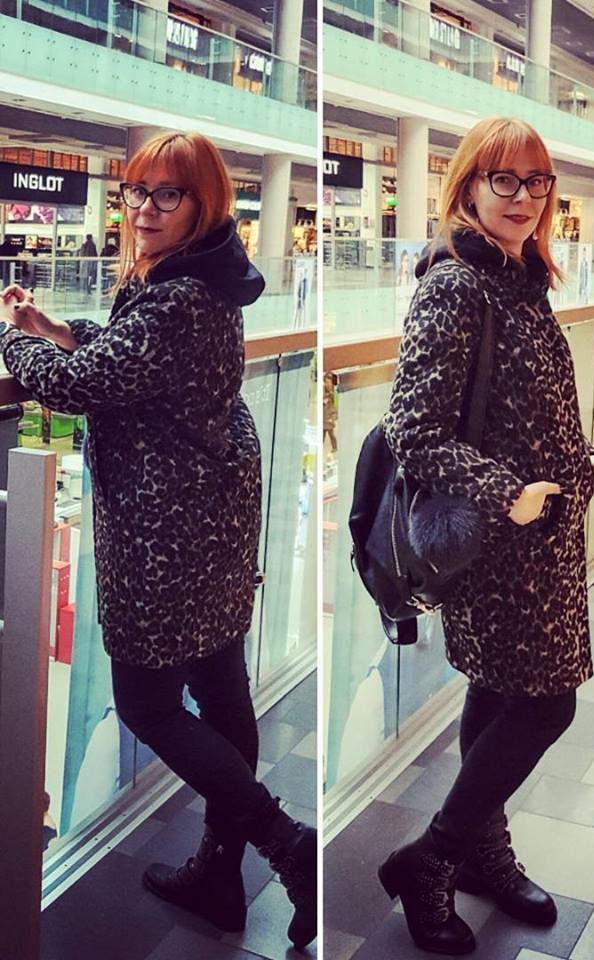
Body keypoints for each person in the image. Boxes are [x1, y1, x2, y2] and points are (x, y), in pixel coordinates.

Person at [0, 131, 316, 950]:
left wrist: (13, 340)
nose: (144, 208)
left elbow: (80, 385)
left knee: (147, 704)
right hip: (211, 517)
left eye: (166, 194)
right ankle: (220, 870)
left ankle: (287, 844)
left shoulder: (178, 297)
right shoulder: (198, 279)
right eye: (136, 191)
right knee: (220, 686)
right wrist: (57, 325)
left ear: (202, 204)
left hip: (167, 531)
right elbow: (127, 357)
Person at [379, 116, 594, 955]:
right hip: (502, 547)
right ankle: (432, 857)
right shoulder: (456, 285)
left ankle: (481, 853)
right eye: (503, 179)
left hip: (543, 543)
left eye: (536, 182)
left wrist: (574, 464)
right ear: (468, 185)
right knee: (546, 705)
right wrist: (512, 495)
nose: (522, 197)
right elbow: (414, 430)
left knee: (500, 693)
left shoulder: (520, 278)